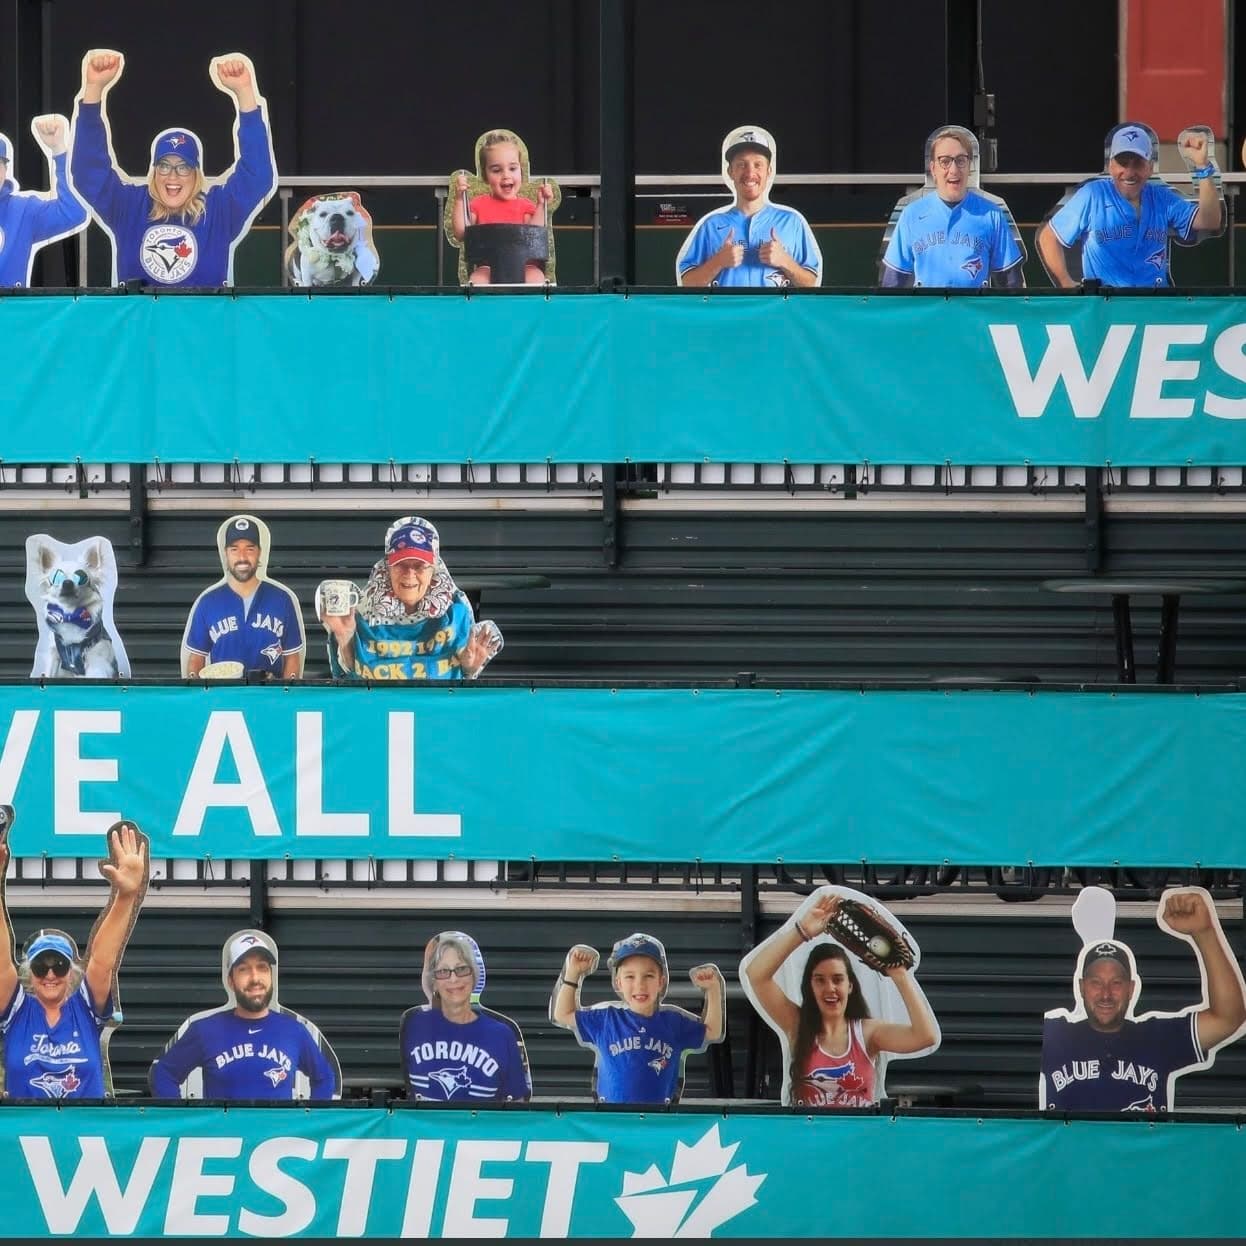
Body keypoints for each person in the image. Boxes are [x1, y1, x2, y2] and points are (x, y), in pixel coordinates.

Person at [70, 49, 276, 287]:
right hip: (144, 323)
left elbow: (257, 174)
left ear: (196, 174)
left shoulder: (219, 211)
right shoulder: (129, 207)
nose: (173, 176)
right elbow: (89, 172)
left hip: (200, 323)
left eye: (183, 167)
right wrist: (94, 88)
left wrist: (245, 92)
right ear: (154, 170)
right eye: (164, 166)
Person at [1040, 890, 1246, 1112]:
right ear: (1081, 987)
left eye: (1116, 983)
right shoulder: (1056, 1034)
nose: (1106, 994)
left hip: (1142, 1147)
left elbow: (1227, 1018)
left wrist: (1204, 933)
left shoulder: (1156, 1037)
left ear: (1132, 989)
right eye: (1096, 983)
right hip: (1070, 1147)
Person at [0, 809, 148, 1099]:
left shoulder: (85, 1008)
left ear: (71, 971)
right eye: (42, 966)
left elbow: (103, 962)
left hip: (86, 1137)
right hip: (25, 1139)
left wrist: (126, 896)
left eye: (59, 964)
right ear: (30, 972)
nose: (51, 973)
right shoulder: (17, 1011)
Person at [741, 891, 938, 1107]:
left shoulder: (867, 1033)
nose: (830, 988)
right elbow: (756, 976)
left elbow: (925, 1036)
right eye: (820, 980)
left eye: (837, 979)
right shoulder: (797, 1025)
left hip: (856, 1139)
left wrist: (899, 974)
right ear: (810, 986)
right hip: (809, 1138)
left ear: (850, 986)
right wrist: (802, 931)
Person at [149, 930, 340, 1100]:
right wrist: (185, 1123)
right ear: (230, 981)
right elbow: (164, 1073)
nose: (255, 978)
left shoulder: (294, 1031)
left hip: (276, 1139)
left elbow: (324, 1077)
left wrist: (310, 1125)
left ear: (272, 977)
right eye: (243, 969)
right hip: (225, 1139)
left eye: (262, 967)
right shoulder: (204, 1030)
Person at [1036, 124, 1222, 288]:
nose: (1129, 173)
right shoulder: (1094, 194)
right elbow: (1048, 237)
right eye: (1122, 163)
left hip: (1154, 302)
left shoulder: (1161, 197)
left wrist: (1202, 166)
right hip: (1106, 304)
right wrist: (1067, 283)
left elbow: (1209, 221)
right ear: (1110, 166)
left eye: (1137, 164)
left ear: (1150, 167)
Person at [320, 516, 502, 681]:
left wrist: (469, 668)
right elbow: (344, 680)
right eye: (400, 565)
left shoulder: (456, 611)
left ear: (434, 570)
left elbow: (462, 685)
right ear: (387, 568)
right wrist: (345, 639)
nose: (410, 573)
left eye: (420, 566)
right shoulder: (360, 613)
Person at [551, 932, 724, 1104]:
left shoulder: (673, 1023)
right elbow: (563, 1014)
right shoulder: (607, 1020)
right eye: (630, 977)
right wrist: (573, 974)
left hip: (659, 1121)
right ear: (618, 982)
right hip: (611, 1120)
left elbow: (713, 1031)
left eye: (648, 976)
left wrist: (713, 989)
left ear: (661, 982)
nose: (639, 985)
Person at [676, 125, 821, 288]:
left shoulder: (791, 222)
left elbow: (810, 283)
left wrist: (785, 261)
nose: (750, 173)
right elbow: (687, 282)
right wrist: (718, 262)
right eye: (741, 165)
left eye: (758, 164)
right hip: (728, 312)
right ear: (731, 171)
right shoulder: (711, 225)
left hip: (776, 314)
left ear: (769, 172)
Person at [880, 126, 1025, 288]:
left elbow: (1011, 284)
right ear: (933, 169)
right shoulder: (911, 214)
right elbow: (892, 284)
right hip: (928, 311)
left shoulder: (992, 215)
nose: (954, 170)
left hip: (974, 311)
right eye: (945, 161)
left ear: (970, 166)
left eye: (961, 160)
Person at [400, 931, 531, 1102]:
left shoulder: (501, 1034)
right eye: (443, 971)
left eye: (461, 969)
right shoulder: (413, 1025)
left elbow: (517, 1106)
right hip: (423, 1128)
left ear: (474, 975)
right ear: (434, 982)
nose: (453, 979)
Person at [181, 515, 304, 678]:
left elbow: (292, 656)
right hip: (222, 697)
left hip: (268, 696)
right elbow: (196, 658)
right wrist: (198, 693)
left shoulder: (282, 599)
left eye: (249, 549)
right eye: (234, 549)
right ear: (225, 554)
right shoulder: (208, 602)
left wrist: (286, 694)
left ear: (259, 552)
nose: (242, 557)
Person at [451, 130, 555, 285]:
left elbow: (534, 234)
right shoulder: (478, 205)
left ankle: (529, 308)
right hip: (488, 267)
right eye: (496, 170)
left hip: (524, 266)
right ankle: (487, 309)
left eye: (512, 168)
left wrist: (541, 205)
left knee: (536, 277)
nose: (506, 175)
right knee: (477, 280)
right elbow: (461, 233)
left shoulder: (525, 206)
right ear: (486, 176)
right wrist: (460, 200)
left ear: (521, 171)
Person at [0, 115, 88, 287]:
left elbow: (74, 212)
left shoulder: (23, 210)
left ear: (5, 170)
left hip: (10, 313)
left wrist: (59, 150)